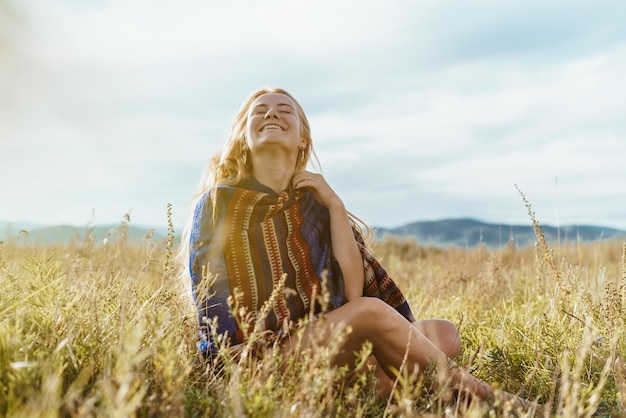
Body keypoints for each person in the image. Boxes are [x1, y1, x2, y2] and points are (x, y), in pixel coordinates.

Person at [181, 86, 538, 412]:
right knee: (373, 317)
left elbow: (350, 295)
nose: (271, 114)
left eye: (284, 109)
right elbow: (211, 297)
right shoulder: (219, 204)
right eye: (259, 111)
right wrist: (240, 362)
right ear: (243, 136)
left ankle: (365, 390)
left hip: (328, 344)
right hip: (259, 356)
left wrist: (335, 207)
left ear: (303, 138)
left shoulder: (317, 207)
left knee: (445, 334)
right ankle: (487, 398)